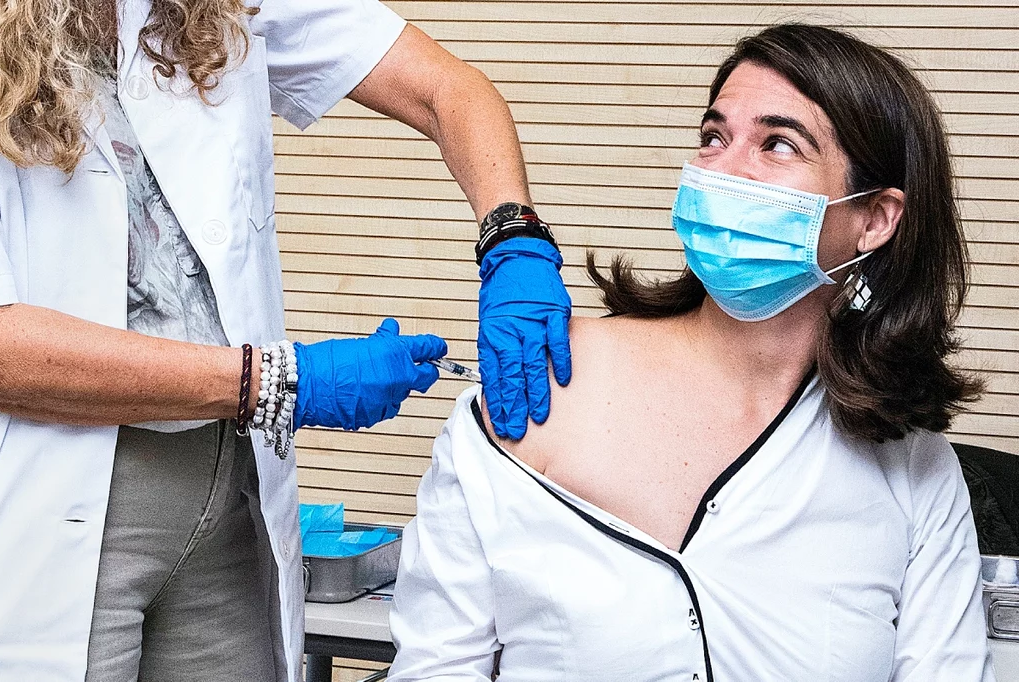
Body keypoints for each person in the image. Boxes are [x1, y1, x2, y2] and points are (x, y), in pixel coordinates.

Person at [388, 24, 994, 681]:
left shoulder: (909, 468)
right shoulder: (537, 384)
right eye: (714, 136)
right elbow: (437, 666)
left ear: (874, 219)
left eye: (778, 144)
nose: (723, 170)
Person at [0, 1, 572, 681]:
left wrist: (514, 235)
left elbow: (447, 89)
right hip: (53, 505)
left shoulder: (225, 7)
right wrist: (274, 381)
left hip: (231, 502)